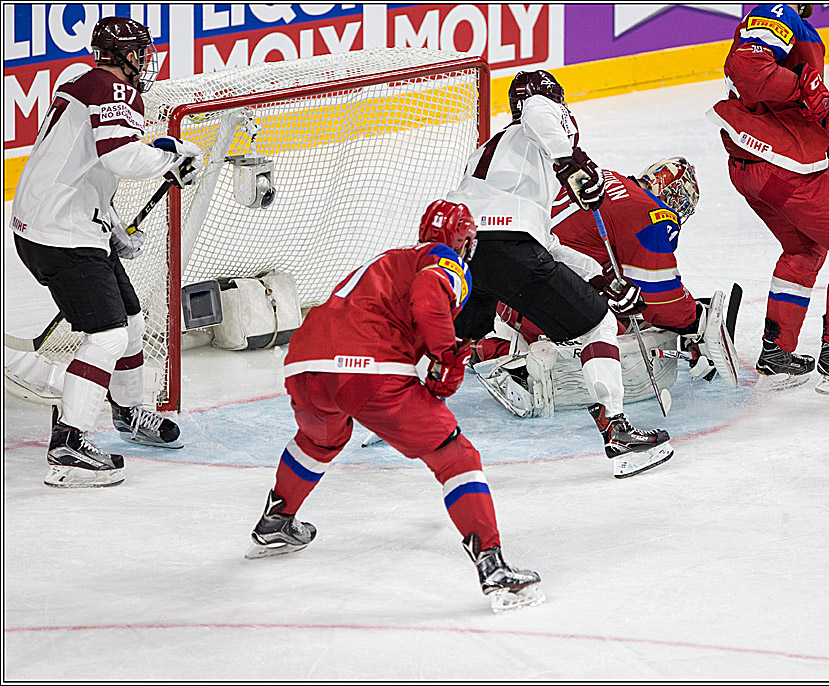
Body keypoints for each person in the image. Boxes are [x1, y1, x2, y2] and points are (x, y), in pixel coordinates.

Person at [244, 200, 544, 614]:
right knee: (456, 456)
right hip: (366, 368)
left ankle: (276, 520)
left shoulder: (391, 260)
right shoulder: (446, 261)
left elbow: (396, 315)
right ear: (464, 240)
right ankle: (492, 564)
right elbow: (428, 299)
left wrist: (434, 362)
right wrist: (447, 354)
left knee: (321, 437)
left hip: (305, 363)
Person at [447, 70, 673, 478]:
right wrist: (572, 161)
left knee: (455, 339)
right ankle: (617, 429)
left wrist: (597, 278)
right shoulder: (537, 124)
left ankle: (389, 406)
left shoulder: (500, 154)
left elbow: (545, 243)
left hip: (462, 252)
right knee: (598, 322)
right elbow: (536, 107)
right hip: (505, 246)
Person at [10, 16, 201, 488]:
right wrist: (172, 160)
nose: (146, 61)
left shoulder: (76, 77)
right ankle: (70, 443)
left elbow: (90, 162)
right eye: (142, 52)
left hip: (56, 221)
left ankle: (129, 412)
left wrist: (110, 222)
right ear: (129, 57)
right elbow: (119, 155)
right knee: (109, 335)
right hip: (61, 234)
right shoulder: (118, 92)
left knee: (132, 321)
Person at [707, 3, 829, 397]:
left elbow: (805, 109)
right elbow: (749, 72)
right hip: (787, 168)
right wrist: (802, 85)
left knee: (804, 248)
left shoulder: (788, 22)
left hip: (752, 166)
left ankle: (778, 356)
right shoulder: (777, 10)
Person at [472, 156, 741, 398]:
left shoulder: (608, 178)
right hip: (538, 298)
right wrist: (692, 320)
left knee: (621, 303)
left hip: (502, 287)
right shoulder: (651, 214)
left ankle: (496, 345)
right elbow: (660, 295)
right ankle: (518, 364)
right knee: (619, 345)